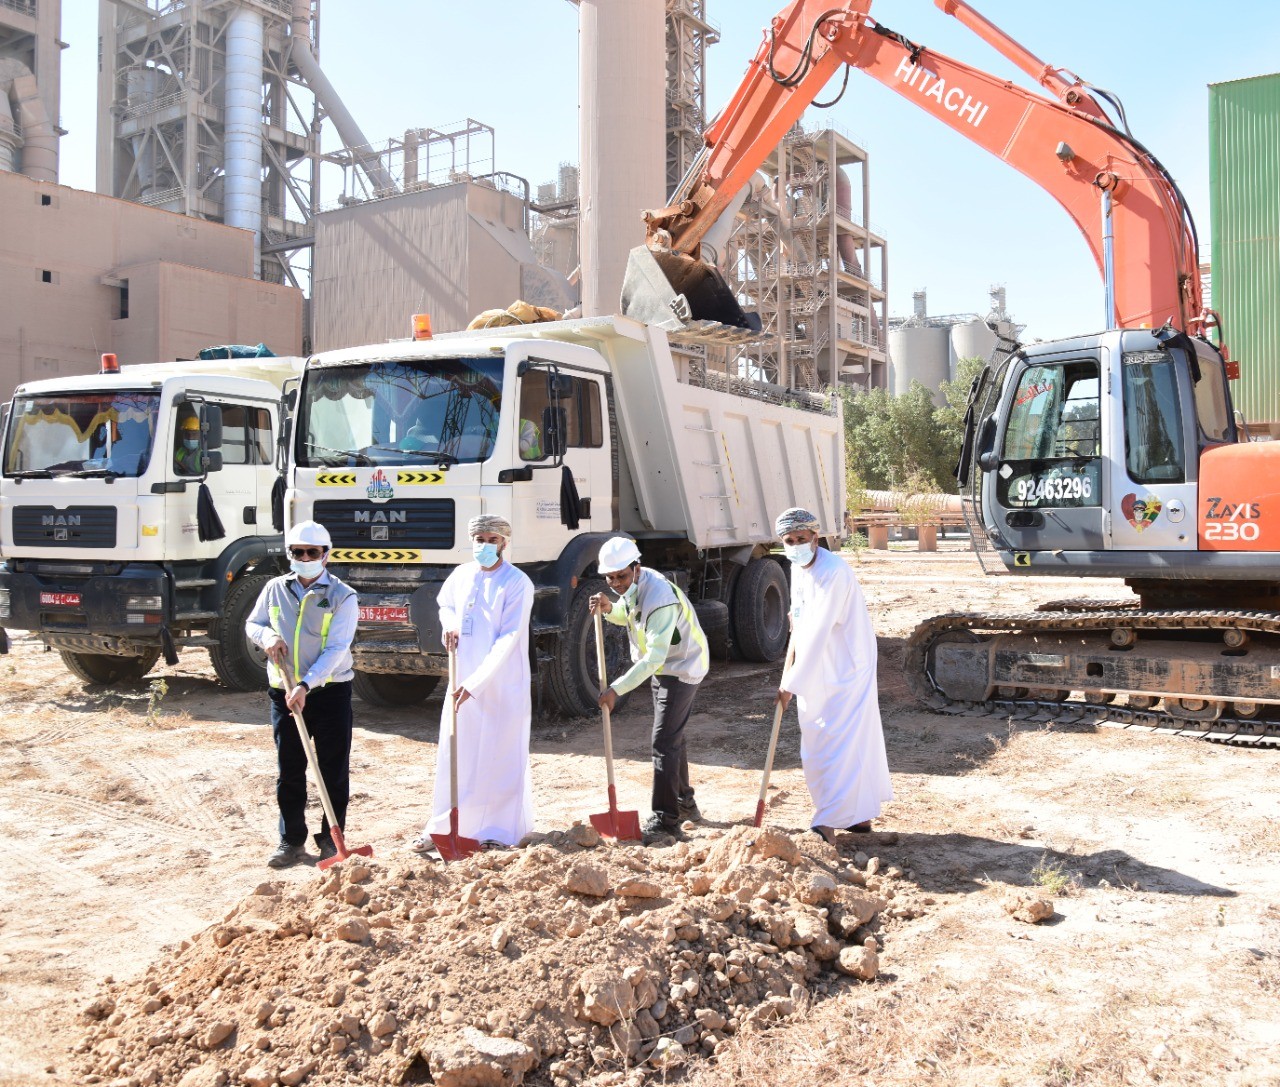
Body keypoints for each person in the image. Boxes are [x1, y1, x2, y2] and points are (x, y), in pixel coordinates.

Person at [413, 514, 536, 854]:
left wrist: (477, 682)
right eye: (479, 539)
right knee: (456, 751)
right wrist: (449, 625)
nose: (484, 545)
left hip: (500, 682)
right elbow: (445, 604)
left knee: (500, 753)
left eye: (491, 540)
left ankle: (499, 831)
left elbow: (510, 636)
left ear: (504, 544)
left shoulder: (517, 582)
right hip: (460, 676)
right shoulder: (462, 574)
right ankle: (442, 826)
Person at [245, 520, 360, 867]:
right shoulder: (274, 588)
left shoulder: (342, 596)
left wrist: (306, 684)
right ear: (289, 554)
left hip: (329, 692)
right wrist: (267, 639)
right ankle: (290, 839)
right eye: (298, 552)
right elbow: (254, 623)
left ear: (326, 555)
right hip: (284, 693)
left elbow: (338, 648)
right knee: (290, 769)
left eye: (313, 552)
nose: (305, 557)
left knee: (332, 770)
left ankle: (330, 839)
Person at [774, 507, 893, 842]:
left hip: (845, 667)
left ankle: (827, 820)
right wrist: (794, 615)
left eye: (801, 538)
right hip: (820, 664)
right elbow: (801, 613)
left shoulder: (835, 571)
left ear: (815, 537)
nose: (795, 545)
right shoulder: (798, 567)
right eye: (789, 540)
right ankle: (860, 816)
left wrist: (790, 684)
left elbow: (820, 629)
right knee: (821, 738)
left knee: (837, 742)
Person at [590, 537, 708, 843]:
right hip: (664, 666)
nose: (615, 583)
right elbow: (630, 615)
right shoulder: (633, 587)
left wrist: (617, 690)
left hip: (681, 666)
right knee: (672, 737)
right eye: (610, 577)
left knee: (663, 741)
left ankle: (666, 820)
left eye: (621, 576)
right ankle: (684, 802)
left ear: (636, 568)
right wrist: (608, 608)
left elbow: (654, 656)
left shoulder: (659, 597)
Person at [173, 410, 202, 475]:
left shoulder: (203, 454)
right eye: (187, 434)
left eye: (194, 434)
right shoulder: (180, 452)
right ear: (182, 435)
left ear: (200, 436)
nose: (190, 437)